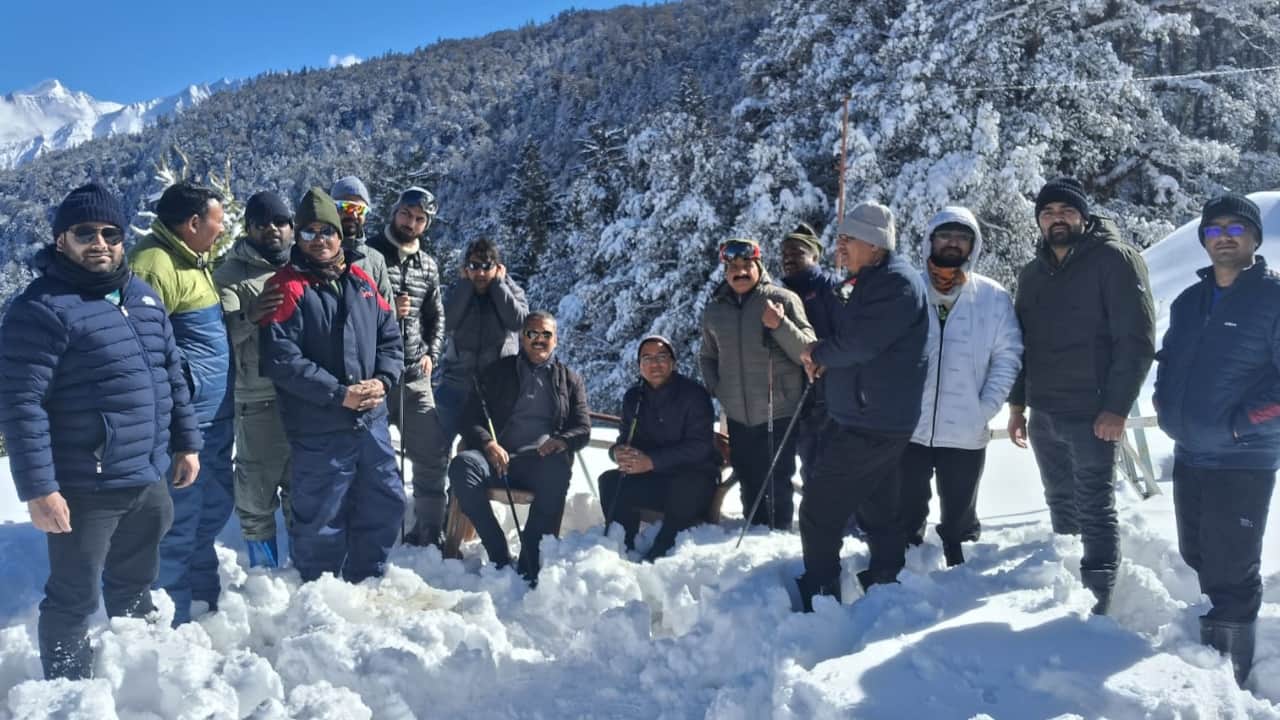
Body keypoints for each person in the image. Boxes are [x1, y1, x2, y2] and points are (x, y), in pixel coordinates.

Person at [0, 183, 201, 678]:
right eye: (84, 232)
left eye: (110, 232)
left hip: (148, 475)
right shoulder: (41, 309)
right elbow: (21, 404)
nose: (100, 242)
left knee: (136, 581)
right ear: (60, 240)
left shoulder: (142, 294)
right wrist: (41, 489)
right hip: (86, 486)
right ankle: (69, 692)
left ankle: (136, 673)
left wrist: (187, 443)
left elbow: (170, 373)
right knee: (74, 597)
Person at [1006, 178, 1155, 615]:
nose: (1057, 218)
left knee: (1094, 504)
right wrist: (1018, 405)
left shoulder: (1113, 259)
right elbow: (1021, 344)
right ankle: (1068, 585)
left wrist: (1116, 407)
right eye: (1048, 212)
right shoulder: (1032, 273)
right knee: (1059, 501)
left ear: (1083, 217)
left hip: (1093, 412)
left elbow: (1137, 340)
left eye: (1066, 211)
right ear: (1038, 220)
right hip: (1045, 412)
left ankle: (1100, 598)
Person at [1155, 193, 1278, 687]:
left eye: (1234, 228)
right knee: (1198, 551)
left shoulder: (1272, 298)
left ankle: (1231, 684)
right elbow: (1169, 363)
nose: (1223, 237)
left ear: (1253, 238)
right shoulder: (1189, 301)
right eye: (1213, 229)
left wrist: (1238, 423)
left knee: (1232, 564)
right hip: (1191, 451)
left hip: (1243, 456)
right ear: (1204, 240)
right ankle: (1214, 652)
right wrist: (1165, 407)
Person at [259, 188, 405, 583]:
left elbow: (391, 338)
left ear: (341, 236)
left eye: (327, 231)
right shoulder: (286, 287)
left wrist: (383, 380)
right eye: (309, 232)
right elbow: (281, 359)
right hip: (320, 424)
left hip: (371, 421)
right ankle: (318, 590)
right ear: (298, 239)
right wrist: (340, 394)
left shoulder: (361, 282)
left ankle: (367, 578)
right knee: (322, 514)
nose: (319, 240)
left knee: (386, 501)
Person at [796, 201, 928, 611]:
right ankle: (886, 581)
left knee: (818, 508)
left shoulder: (896, 285)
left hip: (871, 421)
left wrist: (820, 352)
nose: (841, 246)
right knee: (877, 504)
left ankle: (820, 594)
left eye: (847, 239)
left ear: (874, 244)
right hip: (869, 415)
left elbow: (860, 343)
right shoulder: (873, 279)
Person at [128, 182, 233, 626]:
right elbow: (143, 355)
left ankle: (204, 600)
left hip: (212, 421)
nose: (222, 230)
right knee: (177, 524)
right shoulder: (154, 265)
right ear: (193, 224)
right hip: (184, 427)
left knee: (209, 514)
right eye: (217, 222)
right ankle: (173, 617)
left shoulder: (192, 260)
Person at [901, 207, 1022, 567]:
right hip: (910, 426)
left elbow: (1008, 355)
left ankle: (960, 563)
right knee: (905, 505)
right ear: (930, 241)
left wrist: (984, 407)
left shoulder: (992, 296)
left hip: (966, 428)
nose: (953, 243)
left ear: (973, 246)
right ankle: (906, 564)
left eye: (962, 237)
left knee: (960, 511)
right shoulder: (908, 289)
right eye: (945, 235)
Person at [447, 311, 591, 583]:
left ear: (556, 340)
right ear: (522, 338)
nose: (538, 339)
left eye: (545, 334)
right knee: (462, 466)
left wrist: (561, 441)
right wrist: (488, 443)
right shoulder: (498, 371)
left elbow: (582, 428)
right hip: (495, 458)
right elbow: (469, 417)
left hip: (538, 462)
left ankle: (530, 556)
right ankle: (497, 549)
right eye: (531, 333)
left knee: (558, 472)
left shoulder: (570, 380)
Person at [700, 238, 815, 530]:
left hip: (779, 409)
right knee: (747, 476)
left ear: (758, 266)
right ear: (725, 271)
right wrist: (718, 388)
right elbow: (707, 355)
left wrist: (780, 325)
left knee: (776, 480)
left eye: (746, 266)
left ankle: (776, 538)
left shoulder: (783, 300)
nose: (740, 272)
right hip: (738, 413)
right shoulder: (715, 310)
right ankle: (753, 532)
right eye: (733, 267)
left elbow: (809, 352)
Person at [212, 191, 294, 567]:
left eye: (280, 222)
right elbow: (218, 334)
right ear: (248, 229)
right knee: (256, 493)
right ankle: (266, 576)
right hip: (258, 397)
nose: (272, 230)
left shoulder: (303, 266)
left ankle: (304, 568)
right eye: (262, 224)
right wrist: (250, 315)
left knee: (303, 490)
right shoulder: (229, 274)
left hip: (303, 396)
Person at [366, 186, 450, 547]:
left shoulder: (428, 264)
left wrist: (432, 351)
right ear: (394, 211)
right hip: (373, 373)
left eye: (419, 219)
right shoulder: (368, 253)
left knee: (431, 453)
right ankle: (375, 527)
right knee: (370, 457)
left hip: (416, 374)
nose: (411, 223)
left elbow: (436, 315)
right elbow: (351, 310)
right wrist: (386, 307)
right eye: (406, 214)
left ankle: (429, 530)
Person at [598, 335, 720, 561]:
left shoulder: (694, 395)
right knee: (610, 481)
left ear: (673, 363)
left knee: (686, 486)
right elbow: (625, 439)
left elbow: (700, 447)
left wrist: (652, 461)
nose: (655, 364)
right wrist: (618, 453)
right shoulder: (634, 397)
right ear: (639, 366)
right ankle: (622, 546)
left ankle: (662, 553)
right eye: (647, 358)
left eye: (661, 357)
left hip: (693, 478)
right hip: (654, 479)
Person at [437, 238, 529, 446]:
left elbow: (518, 322)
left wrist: (498, 286)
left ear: (497, 268)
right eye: (474, 266)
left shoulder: (511, 290)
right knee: (434, 447)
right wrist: (464, 288)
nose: (480, 273)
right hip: (456, 382)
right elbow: (445, 322)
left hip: (496, 389)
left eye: (486, 266)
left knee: (491, 449)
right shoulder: (456, 289)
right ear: (465, 268)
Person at [779, 222, 839, 488]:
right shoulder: (781, 293)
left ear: (814, 256)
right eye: (785, 254)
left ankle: (843, 524)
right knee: (808, 455)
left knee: (831, 459)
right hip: (797, 392)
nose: (789, 258)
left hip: (832, 389)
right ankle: (816, 519)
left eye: (797, 252)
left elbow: (846, 335)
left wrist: (827, 357)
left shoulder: (830, 287)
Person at [330, 175, 394, 304]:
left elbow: (388, 314)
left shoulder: (375, 260)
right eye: (346, 206)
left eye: (360, 209)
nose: (353, 214)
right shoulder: (318, 252)